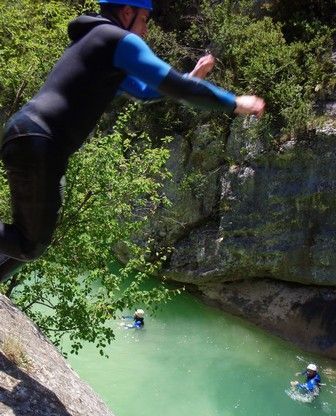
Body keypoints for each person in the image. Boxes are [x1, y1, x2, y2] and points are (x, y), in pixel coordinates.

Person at [0, 0, 265, 282]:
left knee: (32, 240)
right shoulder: (119, 40)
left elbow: (146, 92)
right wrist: (234, 101)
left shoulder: (99, 44)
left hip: (29, 135)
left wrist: (192, 78)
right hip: (40, 139)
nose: (146, 31)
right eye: (145, 20)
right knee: (29, 243)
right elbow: (174, 85)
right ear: (127, 12)